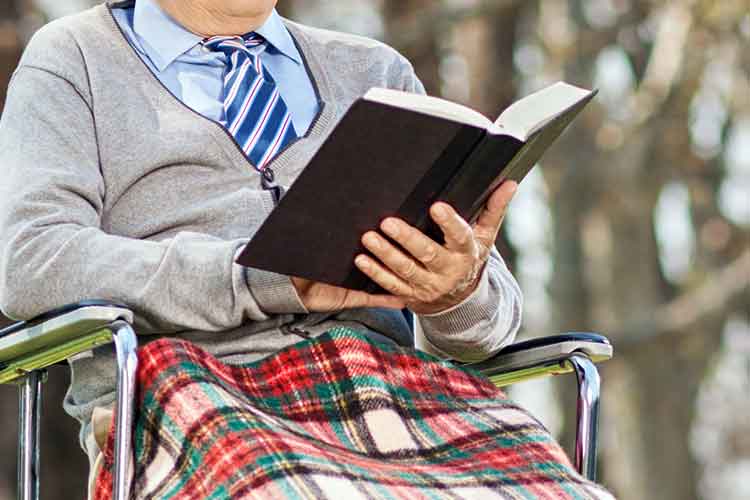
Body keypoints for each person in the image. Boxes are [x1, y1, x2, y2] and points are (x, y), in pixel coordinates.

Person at [0, 1, 609, 498]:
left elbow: (486, 330)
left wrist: (458, 288)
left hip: (397, 393)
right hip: (187, 390)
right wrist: (261, 278)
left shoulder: (377, 71)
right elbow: (32, 261)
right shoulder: (74, 59)